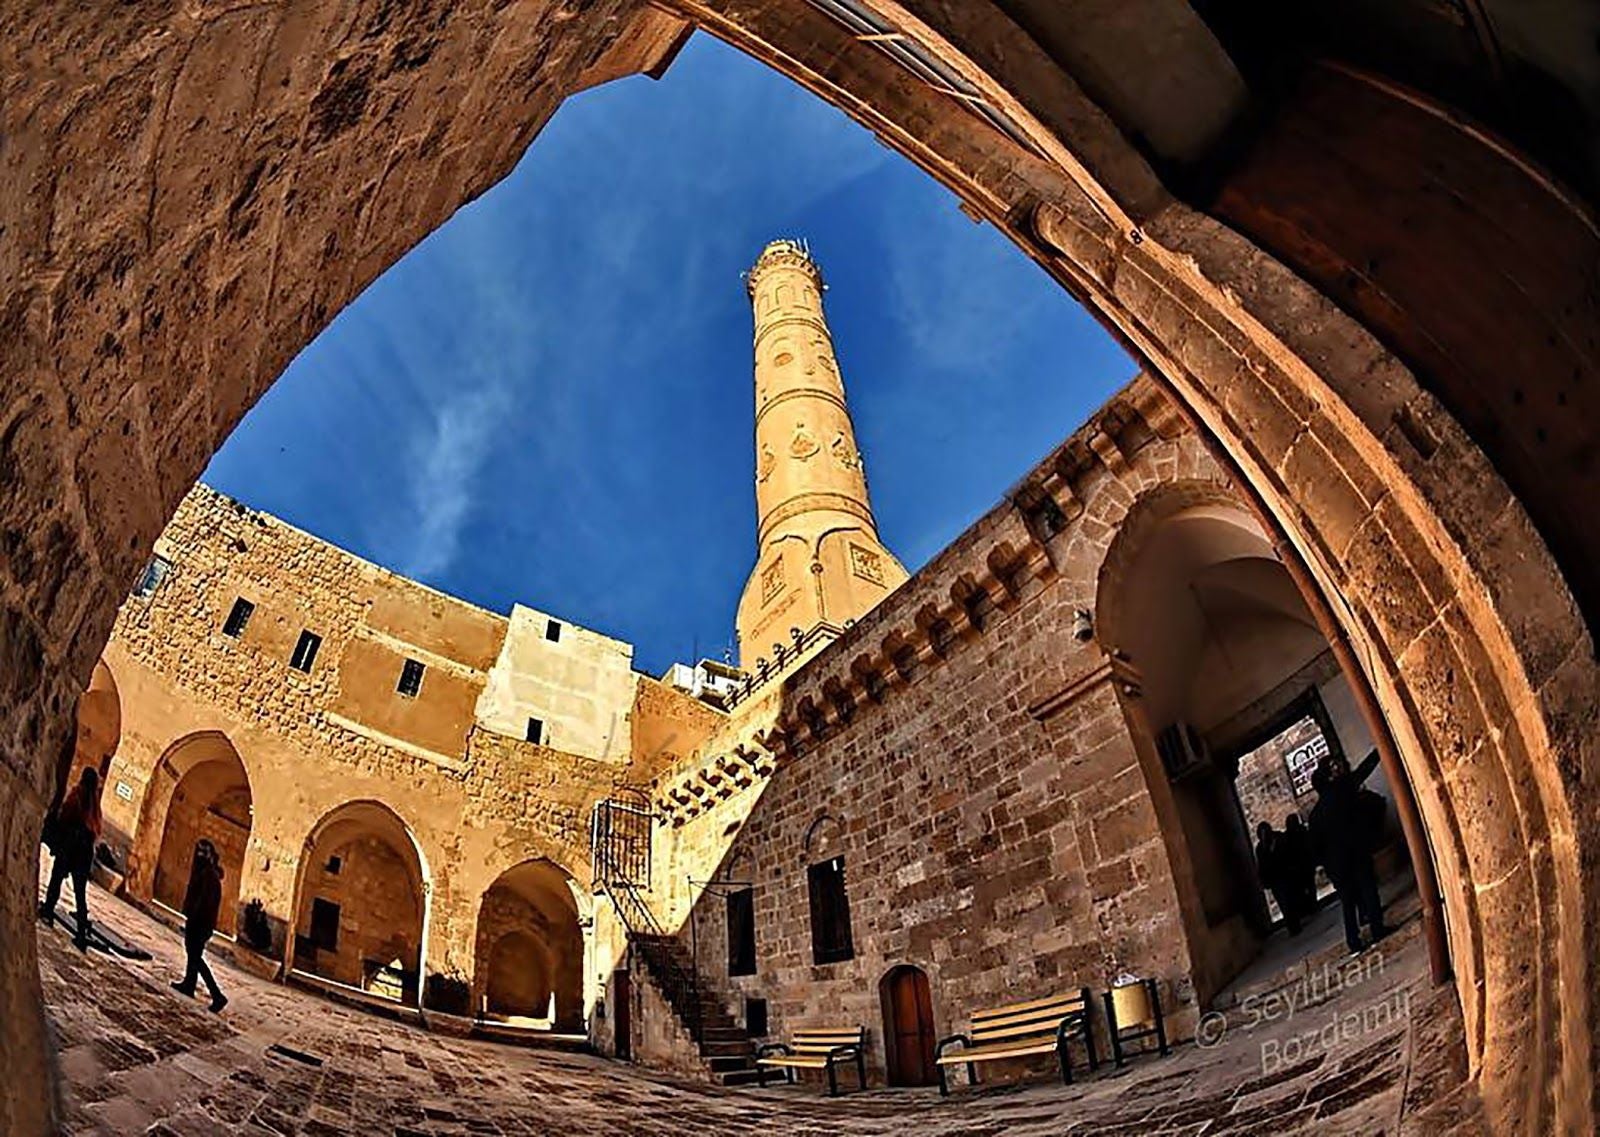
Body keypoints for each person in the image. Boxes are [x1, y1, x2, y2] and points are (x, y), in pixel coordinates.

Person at [1309, 749, 1389, 953]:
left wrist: (1329, 866)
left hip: (1338, 865)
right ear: (1329, 778)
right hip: (1356, 852)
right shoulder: (1343, 790)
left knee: (1347, 903)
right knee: (1368, 890)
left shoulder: (1315, 815)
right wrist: (1379, 750)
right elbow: (1363, 771)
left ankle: (1353, 942)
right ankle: (1377, 929)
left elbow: (1316, 848)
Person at [39, 765, 103, 952]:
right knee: (80, 892)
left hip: (71, 845)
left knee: (56, 878)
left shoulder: (77, 795)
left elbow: (66, 814)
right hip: (85, 851)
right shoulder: (95, 805)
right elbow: (96, 829)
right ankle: (81, 931)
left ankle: (48, 911)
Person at [171, 839, 228, 1013]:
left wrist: (194, 918)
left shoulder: (208, 875)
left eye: (203, 853)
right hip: (199, 921)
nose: (199, 856)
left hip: (200, 922)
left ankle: (217, 995)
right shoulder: (205, 872)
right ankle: (189, 983)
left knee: (195, 956)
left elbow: (205, 902)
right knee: (193, 953)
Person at [1253, 821, 1301, 935]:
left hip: (1285, 875)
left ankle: (1295, 923)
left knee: (1290, 901)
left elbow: (1289, 853)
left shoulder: (1279, 838)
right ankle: (1292, 926)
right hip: (1275, 879)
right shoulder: (1260, 848)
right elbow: (1262, 865)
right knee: (1283, 903)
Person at [1280, 813, 1317, 923]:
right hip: (1303, 864)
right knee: (1309, 886)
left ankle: (1309, 906)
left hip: (1300, 865)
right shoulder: (1301, 832)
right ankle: (1311, 905)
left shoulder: (1289, 836)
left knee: (1306, 887)